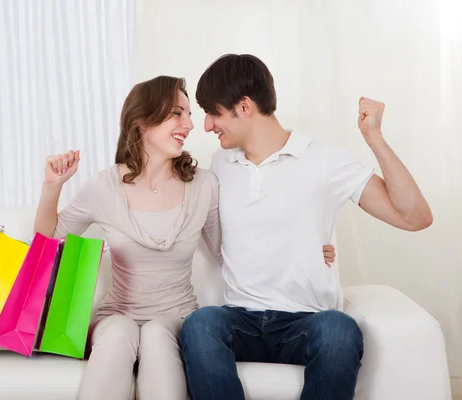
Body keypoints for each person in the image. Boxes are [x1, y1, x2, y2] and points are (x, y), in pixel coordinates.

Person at [34, 75, 337, 400]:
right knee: (120, 331)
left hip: (176, 318)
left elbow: (231, 251)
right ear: (142, 121)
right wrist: (53, 185)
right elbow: (47, 240)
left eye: (189, 114)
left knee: (155, 333)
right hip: (117, 316)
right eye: (177, 113)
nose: (190, 124)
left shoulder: (203, 186)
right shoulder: (103, 187)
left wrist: (302, 246)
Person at [179, 54, 433, 400]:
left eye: (213, 113)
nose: (206, 125)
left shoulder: (324, 159)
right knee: (200, 325)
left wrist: (373, 137)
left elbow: (414, 217)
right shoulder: (221, 163)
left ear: (244, 107)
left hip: (305, 322)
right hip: (241, 320)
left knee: (339, 329)